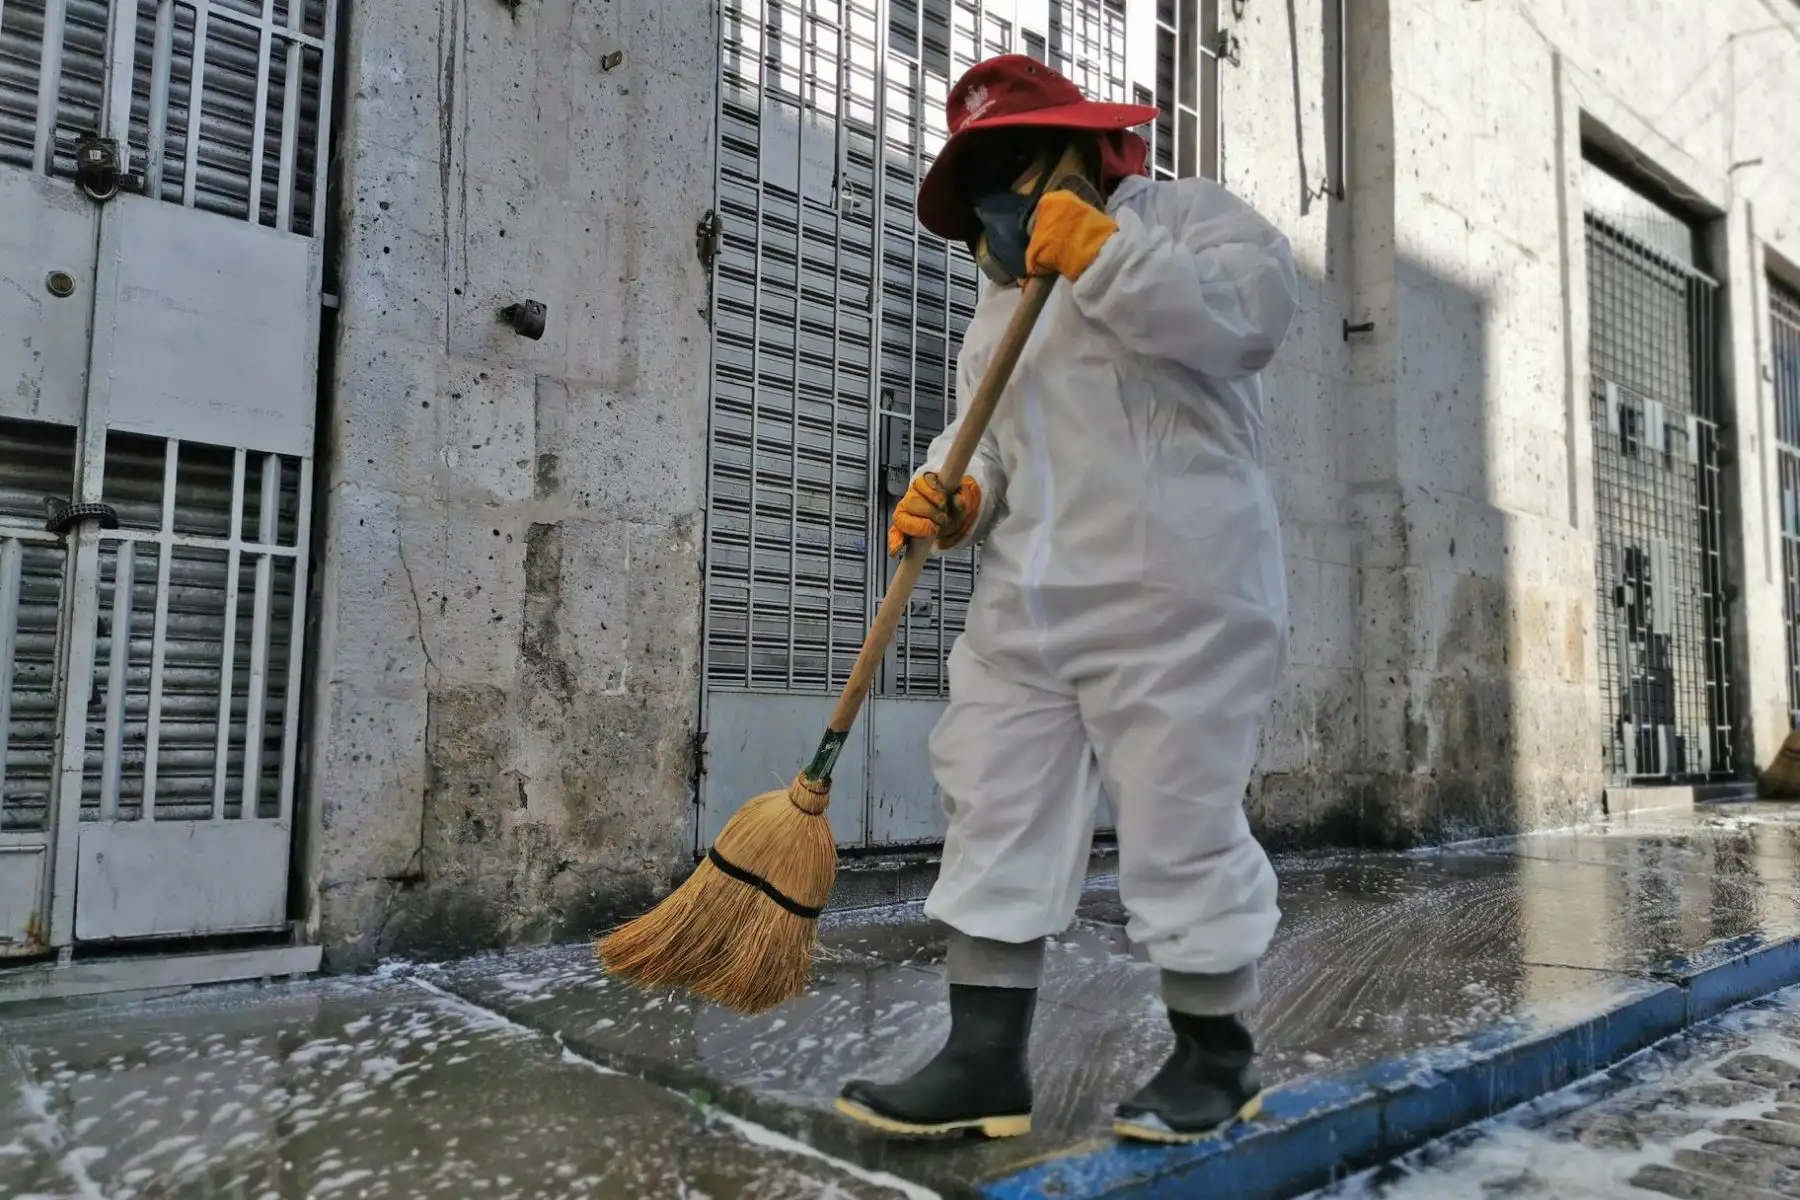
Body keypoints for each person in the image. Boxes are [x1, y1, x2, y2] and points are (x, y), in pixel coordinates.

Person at [833, 54, 1299, 1145]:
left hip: (1176, 591)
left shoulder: (1186, 219)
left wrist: (1107, 255)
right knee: (994, 803)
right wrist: (956, 493)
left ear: (1084, 148)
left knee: (1180, 820)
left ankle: (1216, 1057)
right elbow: (990, 438)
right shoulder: (997, 306)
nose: (1001, 199)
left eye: (1016, 163)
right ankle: (983, 1062)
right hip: (1030, 604)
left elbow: (1249, 318)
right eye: (980, 182)